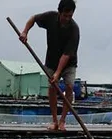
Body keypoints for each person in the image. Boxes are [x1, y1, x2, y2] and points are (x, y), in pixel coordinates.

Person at [20, 0, 79, 131]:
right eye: (65, 15)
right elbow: (33, 19)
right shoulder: (50, 17)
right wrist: (25, 32)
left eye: (70, 16)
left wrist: (58, 73)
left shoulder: (74, 29)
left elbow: (66, 55)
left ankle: (63, 121)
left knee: (69, 86)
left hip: (69, 63)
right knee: (52, 87)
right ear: (59, 12)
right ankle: (54, 121)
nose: (67, 19)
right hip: (51, 61)